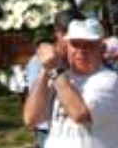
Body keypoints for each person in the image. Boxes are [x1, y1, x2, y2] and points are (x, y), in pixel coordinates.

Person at [24, 18, 118, 148]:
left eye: (89, 45)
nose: (81, 51)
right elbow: (31, 119)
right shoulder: (59, 76)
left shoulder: (108, 79)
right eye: (75, 44)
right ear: (67, 47)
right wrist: (45, 69)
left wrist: (54, 69)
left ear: (102, 48)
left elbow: (80, 115)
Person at [25, 9, 85, 148]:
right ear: (58, 33)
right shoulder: (38, 61)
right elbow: (33, 115)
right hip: (49, 134)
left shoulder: (82, 58)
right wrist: (50, 68)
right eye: (69, 36)